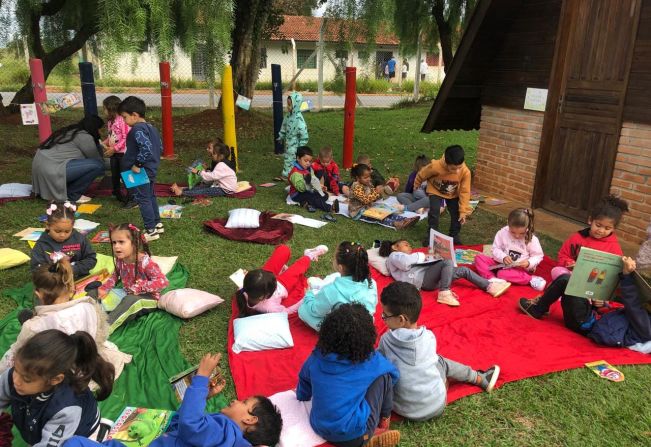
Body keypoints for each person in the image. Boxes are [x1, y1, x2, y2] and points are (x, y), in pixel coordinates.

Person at [64, 352, 283, 447]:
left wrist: (201, 378)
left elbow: (190, 424)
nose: (236, 401)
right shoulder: (223, 438)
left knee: (73, 443)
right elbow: (183, 425)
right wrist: (203, 398)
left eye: (244, 403)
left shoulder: (224, 430)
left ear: (250, 420)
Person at [378, 282, 500, 421]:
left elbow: (377, 364)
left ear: (401, 320)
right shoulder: (429, 337)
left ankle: (454, 381)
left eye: (385, 316)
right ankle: (479, 378)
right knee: (440, 361)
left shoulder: (386, 340)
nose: (383, 319)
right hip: (437, 405)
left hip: (403, 410)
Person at [0, 259, 131, 378]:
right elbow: (99, 336)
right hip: (89, 362)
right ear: (71, 288)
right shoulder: (89, 306)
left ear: (38, 293)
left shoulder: (33, 327)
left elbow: (18, 353)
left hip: (58, 375)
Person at [297, 303, 400, 447]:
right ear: (368, 336)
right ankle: (379, 426)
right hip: (355, 435)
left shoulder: (317, 356)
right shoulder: (371, 360)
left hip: (319, 426)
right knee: (384, 376)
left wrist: (302, 396)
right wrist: (385, 411)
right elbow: (393, 375)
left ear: (327, 332)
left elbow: (304, 379)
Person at [519, 196, 629, 328]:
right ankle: (541, 307)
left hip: (587, 316)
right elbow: (563, 255)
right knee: (562, 275)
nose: (601, 230)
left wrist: (603, 301)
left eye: (607, 228)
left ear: (613, 229)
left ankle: (539, 307)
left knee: (565, 280)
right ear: (590, 220)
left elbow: (612, 283)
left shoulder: (614, 248)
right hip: (577, 293)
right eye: (598, 225)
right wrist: (572, 264)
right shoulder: (579, 237)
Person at [0, 330, 115, 446]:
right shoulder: (18, 375)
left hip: (81, 436)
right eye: (15, 370)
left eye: (27, 379)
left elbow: (50, 445)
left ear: (55, 380)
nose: (16, 381)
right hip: (42, 426)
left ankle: (100, 436)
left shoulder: (66, 408)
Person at [379, 239, 511, 307]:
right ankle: (444, 292)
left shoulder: (411, 256)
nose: (410, 247)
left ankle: (489, 286)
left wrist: (435, 255)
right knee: (446, 261)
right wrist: (425, 255)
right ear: (395, 247)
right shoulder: (394, 256)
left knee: (463, 270)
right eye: (406, 244)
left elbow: (420, 261)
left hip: (431, 276)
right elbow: (405, 263)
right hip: (423, 279)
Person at [98, 223, 169, 328]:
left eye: (121, 242)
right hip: (126, 293)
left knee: (129, 301)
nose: (116, 246)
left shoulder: (145, 262)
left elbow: (163, 282)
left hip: (148, 298)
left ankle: (104, 329)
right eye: (114, 242)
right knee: (96, 291)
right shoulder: (120, 259)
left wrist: (141, 286)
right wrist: (104, 288)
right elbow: (115, 275)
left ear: (134, 243)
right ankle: (88, 314)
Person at [298, 241, 378, 331]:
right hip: (365, 327)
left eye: (334, 257)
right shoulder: (372, 282)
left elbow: (315, 311)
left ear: (340, 267)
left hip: (343, 332)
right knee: (335, 277)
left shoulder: (332, 290)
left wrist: (309, 295)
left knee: (303, 310)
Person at [235, 244, 328, 317]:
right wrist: (305, 298)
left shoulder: (243, 289)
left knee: (284, 249)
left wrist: (250, 276)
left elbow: (245, 284)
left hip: (264, 279)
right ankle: (309, 255)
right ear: (264, 296)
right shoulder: (270, 308)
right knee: (298, 268)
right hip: (283, 286)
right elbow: (288, 311)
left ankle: (280, 270)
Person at [118, 95, 163, 241]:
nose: (124, 121)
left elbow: (147, 148)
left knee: (143, 199)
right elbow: (159, 147)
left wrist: (137, 164)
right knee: (150, 196)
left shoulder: (137, 129)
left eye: (124, 117)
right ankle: (157, 224)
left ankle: (150, 231)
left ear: (135, 115)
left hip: (139, 171)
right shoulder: (152, 128)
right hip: (150, 169)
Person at [32, 115, 106, 202]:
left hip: (41, 169)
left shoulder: (70, 131)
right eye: (100, 129)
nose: (101, 132)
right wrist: (118, 161)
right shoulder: (84, 137)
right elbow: (98, 160)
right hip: (52, 169)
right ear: (95, 128)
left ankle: (66, 190)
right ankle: (73, 194)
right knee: (97, 165)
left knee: (95, 164)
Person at [474, 208, 546, 290]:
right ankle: (492, 279)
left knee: (502, 274)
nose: (517, 236)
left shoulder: (532, 239)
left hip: (518, 269)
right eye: (513, 232)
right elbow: (495, 249)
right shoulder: (502, 233)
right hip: (500, 263)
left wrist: (529, 263)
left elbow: (538, 256)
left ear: (527, 227)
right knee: (479, 258)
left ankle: (531, 279)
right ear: (508, 224)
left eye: (522, 233)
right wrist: (503, 257)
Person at [415, 145, 472, 246]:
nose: (457, 171)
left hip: (453, 193)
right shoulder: (435, 166)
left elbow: (465, 191)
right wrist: (417, 183)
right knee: (434, 212)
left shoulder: (465, 172)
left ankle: (454, 235)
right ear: (446, 161)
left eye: (459, 167)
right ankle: (431, 236)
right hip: (435, 190)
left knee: (457, 214)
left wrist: (463, 211)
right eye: (454, 168)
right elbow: (422, 173)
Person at [30, 200, 97, 279]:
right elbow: (36, 269)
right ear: (48, 225)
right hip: (53, 282)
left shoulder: (79, 239)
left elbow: (91, 259)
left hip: (78, 278)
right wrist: (54, 274)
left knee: (95, 289)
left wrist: (73, 269)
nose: (62, 235)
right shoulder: (42, 244)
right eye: (57, 231)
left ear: (72, 226)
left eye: (67, 231)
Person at [171, 139, 237, 197]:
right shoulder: (222, 163)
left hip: (225, 190)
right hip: (221, 186)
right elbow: (213, 175)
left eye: (214, 153)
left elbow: (211, 177)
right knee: (203, 188)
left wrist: (198, 172)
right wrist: (206, 171)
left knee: (204, 191)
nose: (212, 155)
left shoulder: (221, 165)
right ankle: (182, 189)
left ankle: (182, 193)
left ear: (221, 156)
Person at [288, 146, 339, 217]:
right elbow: (301, 188)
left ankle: (306, 203)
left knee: (324, 195)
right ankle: (330, 208)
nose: (308, 163)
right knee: (312, 198)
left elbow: (314, 178)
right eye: (306, 161)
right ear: (298, 158)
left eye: (310, 161)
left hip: (308, 190)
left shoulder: (308, 168)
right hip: (297, 194)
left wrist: (319, 186)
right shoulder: (295, 173)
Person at [100, 95, 131, 204]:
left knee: (125, 174)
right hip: (114, 153)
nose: (103, 111)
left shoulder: (122, 120)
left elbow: (125, 137)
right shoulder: (110, 121)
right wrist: (104, 142)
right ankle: (117, 192)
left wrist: (115, 148)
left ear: (111, 108)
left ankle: (130, 196)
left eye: (104, 108)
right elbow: (112, 136)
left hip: (123, 153)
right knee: (115, 173)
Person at [276, 91, 309, 181]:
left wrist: (301, 146)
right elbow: (284, 126)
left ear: (296, 105)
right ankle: (294, 174)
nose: (288, 107)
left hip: (295, 144)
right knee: (290, 158)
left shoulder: (299, 119)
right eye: (288, 104)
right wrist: (281, 136)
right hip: (288, 142)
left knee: (289, 159)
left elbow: (304, 133)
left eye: (290, 105)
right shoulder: (288, 116)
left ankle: (286, 175)